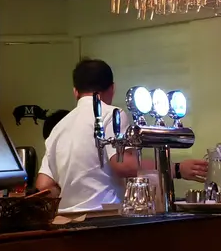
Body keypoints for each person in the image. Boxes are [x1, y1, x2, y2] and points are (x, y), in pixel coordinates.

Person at [36, 58, 208, 212]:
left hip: (65, 220)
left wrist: (72, 192)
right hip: (104, 216)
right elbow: (123, 164)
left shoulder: (58, 127)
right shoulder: (112, 114)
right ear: (112, 88)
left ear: (75, 92)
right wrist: (176, 169)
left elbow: (43, 185)